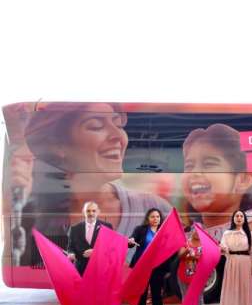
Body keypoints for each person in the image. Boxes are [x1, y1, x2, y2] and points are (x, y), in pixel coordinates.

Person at [21, 102, 171, 267]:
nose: (118, 136)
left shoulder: (154, 207)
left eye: (119, 125)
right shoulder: (37, 216)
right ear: (59, 146)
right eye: (96, 126)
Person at [181, 124, 252, 241]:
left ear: (244, 180)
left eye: (209, 164)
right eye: (189, 166)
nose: (194, 172)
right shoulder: (189, 232)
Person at [66, 201, 136, 305]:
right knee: (83, 300)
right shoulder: (75, 229)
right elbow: (70, 247)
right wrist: (71, 254)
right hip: (82, 269)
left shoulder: (107, 227)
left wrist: (96, 251)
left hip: (101, 269)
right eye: (88, 211)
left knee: (103, 298)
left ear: (98, 212)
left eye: (93, 211)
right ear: (84, 213)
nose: (91, 214)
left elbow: (112, 247)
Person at [130, 208, 171, 305]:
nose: (155, 219)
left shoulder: (164, 231)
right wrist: (130, 241)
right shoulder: (140, 230)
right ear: (148, 218)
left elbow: (169, 249)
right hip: (141, 268)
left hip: (157, 268)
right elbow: (131, 242)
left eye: (158, 217)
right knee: (141, 296)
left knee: (157, 296)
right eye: (152, 216)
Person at [219, 210, 252, 305]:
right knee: (233, 289)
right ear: (233, 218)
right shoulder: (226, 233)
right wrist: (223, 249)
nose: (239, 218)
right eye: (237, 216)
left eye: (241, 216)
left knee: (245, 289)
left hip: (246, 262)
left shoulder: (249, 234)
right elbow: (222, 246)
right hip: (232, 262)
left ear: (244, 219)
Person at [177, 225, 206, 305]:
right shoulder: (186, 242)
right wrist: (187, 251)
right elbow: (180, 255)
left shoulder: (205, 244)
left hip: (199, 275)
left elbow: (208, 256)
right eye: (196, 231)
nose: (198, 233)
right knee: (186, 297)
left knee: (198, 297)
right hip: (184, 274)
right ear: (192, 231)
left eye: (200, 231)